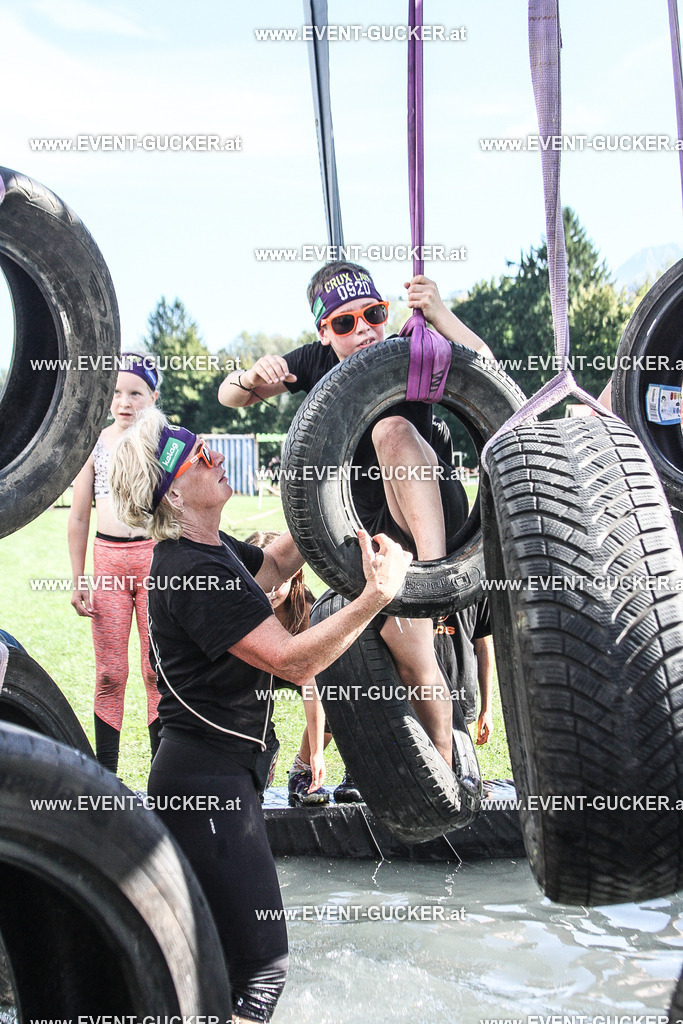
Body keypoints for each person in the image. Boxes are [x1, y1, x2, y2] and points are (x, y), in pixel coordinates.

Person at [108, 408, 411, 1024]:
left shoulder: (211, 550)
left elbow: (274, 566)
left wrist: (347, 488)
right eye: (196, 455)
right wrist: (376, 596)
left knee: (217, 969)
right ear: (170, 490)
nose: (214, 455)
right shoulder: (190, 571)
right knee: (262, 973)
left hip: (218, 777)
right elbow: (294, 663)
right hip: (207, 786)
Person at [219, 262, 493, 769]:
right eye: (344, 323)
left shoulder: (411, 349)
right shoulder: (315, 361)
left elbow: (488, 380)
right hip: (365, 519)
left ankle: (438, 584)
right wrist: (252, 375)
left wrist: (441, 314)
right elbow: (230, 398)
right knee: (411, 654)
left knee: (391, 430)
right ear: (324, 332)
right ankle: (440, 772)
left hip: (426, 502)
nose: (363, 329)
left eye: (373, 314)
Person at [68, 352, 161, 773]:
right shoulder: (94, 443)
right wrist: (77, 578)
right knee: (110, 673)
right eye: (117, 392)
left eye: (135, 393)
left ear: (153, 396)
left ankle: (165, 774)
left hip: (154, 561)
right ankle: (107, 775)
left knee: (155, 670)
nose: (124, 401)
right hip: (108, 563)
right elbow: (79, 515)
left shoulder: (163, 442)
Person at [246, 529, 364, 806]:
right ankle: (262, 751)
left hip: (299, 670)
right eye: (260, 581)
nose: (270, 591)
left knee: (335, 696)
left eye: (277, 582)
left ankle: (301, 772)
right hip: (258, 670)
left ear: (294, 577)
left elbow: (313, 686)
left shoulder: (308, 613)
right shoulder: (241, 605)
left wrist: (314, 756)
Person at [434, 598, 494, 747]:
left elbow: (484, 648)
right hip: (418, 691)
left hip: (461, 693)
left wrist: (487, 709)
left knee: (463, 761)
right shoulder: (410, 577)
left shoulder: (475, 583)